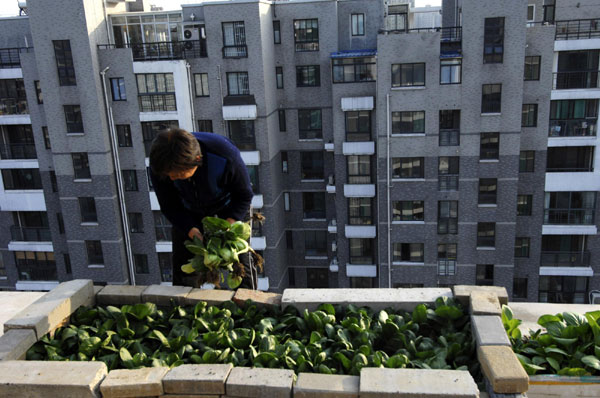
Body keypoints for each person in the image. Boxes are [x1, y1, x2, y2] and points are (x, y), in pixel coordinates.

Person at [149, 128, 256, 289]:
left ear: (197, 160)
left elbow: (244, 195)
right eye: (168, 175)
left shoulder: (224, 154)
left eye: (178, 175)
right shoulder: (160, 163)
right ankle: (185, 308)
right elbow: (169, 205)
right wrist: (192, 231)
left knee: (240, 265)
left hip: (229, 207)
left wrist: (227, 226)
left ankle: (248, 306)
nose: (171, 178)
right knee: (184, 267)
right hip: (188, 211)